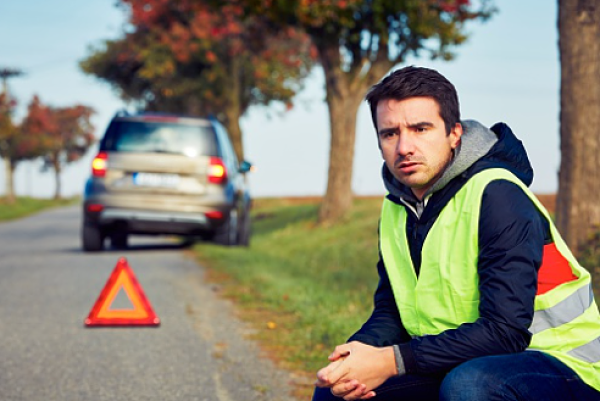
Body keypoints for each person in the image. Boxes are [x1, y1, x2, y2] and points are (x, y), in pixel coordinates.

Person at [312, 66, 600, 401]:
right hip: (460, 360)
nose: (404, 146)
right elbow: (391, 310)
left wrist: (393, 360)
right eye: (390, 133)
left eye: (421, 129)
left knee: (469, 387)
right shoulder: (397, 208)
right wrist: (356, 356)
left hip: (561, 366)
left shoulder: (497, 194)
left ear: (454, 134)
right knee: (337, 394)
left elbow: (506, 332)